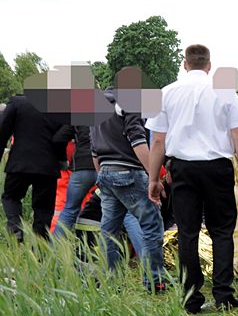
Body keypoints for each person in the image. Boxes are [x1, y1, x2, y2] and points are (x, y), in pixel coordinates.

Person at [147, 45, 238, 314]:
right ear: (209, 66)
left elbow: (158, 141)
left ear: (185, 64)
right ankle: (224, 295)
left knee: (188, 232)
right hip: (217, 168)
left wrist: (154, 178)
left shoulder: (166, 93)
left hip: (183, 169)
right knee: (222, 231)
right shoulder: (224, 92)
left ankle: (191, 297)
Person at [90, 88, 166, 291]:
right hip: (128, 172)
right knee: (151, 224)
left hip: (105, 172)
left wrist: (102, 176)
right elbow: (138, 141)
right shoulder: (129, 105)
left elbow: (94, 151)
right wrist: (154, 176)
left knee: (109, 230)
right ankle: (154, 281)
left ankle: (112, 280)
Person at [52, 125, 145, 253]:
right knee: (128, 214)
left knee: (69, 210)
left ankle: (52, 253)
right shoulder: (114, 114)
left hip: (82, 169)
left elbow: (58, 138)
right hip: (108, 165)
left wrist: (63, 160)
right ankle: (147, 260)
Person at [0, 94, 68, 241]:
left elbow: (2, 131)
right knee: (43, 209)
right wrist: (61, 160)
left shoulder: (17, 103)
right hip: (47, 166)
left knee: (11, 197)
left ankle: (15, 228)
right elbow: (60, 139)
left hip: (19, 163)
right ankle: (39, 249)